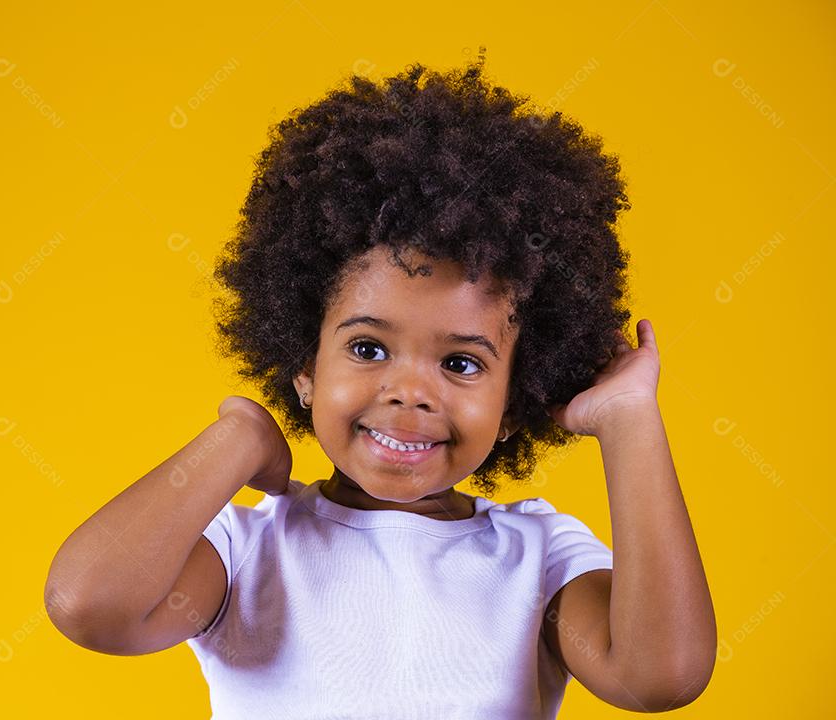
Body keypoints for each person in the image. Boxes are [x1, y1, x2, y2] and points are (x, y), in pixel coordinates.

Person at [44, 50, 717, 719]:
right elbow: (90, 606)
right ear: (303, 367)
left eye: (460, 364)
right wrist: (238, 439)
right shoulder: (249, 552)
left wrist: (629, 420)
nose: (410, 392)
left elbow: (660, 676)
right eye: (369, 347)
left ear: (515, 402)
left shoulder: (536, 561)